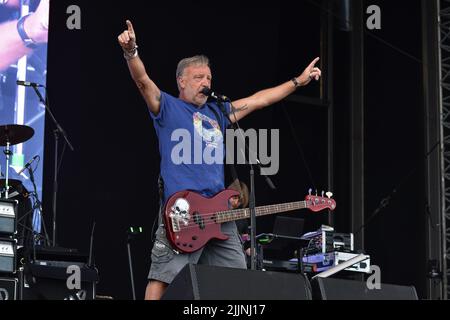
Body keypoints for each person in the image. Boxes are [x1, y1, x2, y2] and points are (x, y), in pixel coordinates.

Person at [117, 19, 321, 300]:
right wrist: (131, 51)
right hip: (183, 210)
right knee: (163, 276)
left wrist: (298, 80)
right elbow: (143, 82)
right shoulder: (167, 106)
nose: (205, 83)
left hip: (220, 213)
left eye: (209, 78)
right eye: (198, 77)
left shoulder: (218, 112)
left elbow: (260, 99)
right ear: (182, 81)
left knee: (236, 281)